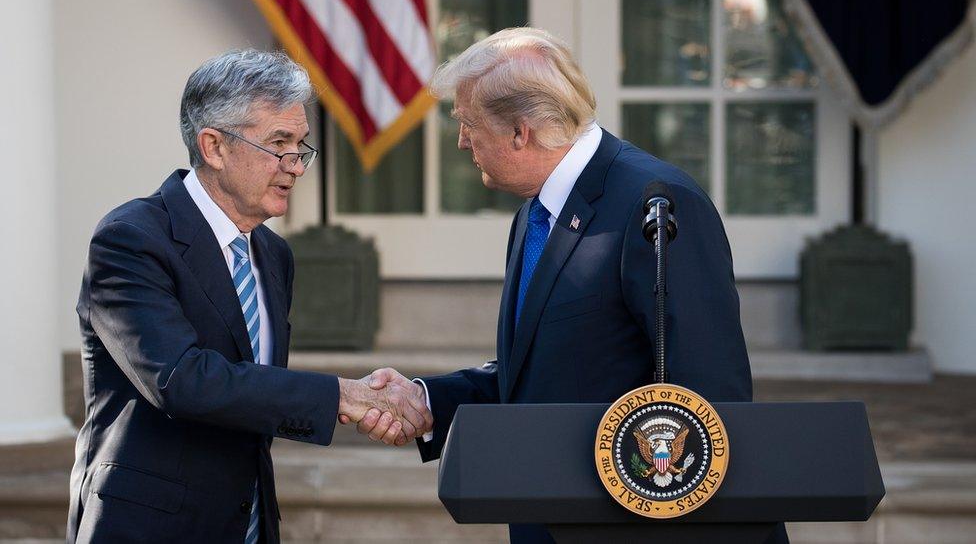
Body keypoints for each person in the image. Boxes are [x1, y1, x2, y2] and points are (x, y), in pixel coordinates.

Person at [351, 28, 768, 543]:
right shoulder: (537, 211)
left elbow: (708, 394)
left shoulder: (656, 203)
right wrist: (426, 398)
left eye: (467, 124)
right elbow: (541, 372)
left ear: (520, 133)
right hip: (550, 516)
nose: (461, 141)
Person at [66, 50, 431, 543]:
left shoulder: (274, 254)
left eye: (301, 146)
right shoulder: (130, 238)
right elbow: (181, 379)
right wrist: (345, 396)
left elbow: (255, 393)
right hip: (150, 526)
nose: (296, 166)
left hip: (249, 523)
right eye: (279, 143)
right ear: (213, 146)